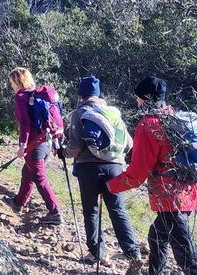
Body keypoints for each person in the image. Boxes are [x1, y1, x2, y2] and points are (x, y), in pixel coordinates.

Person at [107, 76, 197, 275]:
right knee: (156, 236)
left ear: (145, 99)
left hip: (171, 198)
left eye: (138, 98)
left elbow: (138, 173)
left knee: (187, 257)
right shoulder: (174, 115)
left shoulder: (148, 125)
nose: (136, 102)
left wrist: (111, 186)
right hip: (189, 190)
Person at [66, 76, 142, 268]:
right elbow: (129, 144)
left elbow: (74, 147)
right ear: (98, 93)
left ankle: (97, 254)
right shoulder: (113, 113)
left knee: (91, 211)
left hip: (88, 168)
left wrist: (63, 152)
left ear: (81, 94)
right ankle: (133, 253)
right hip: (114, 167)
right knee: (118, 210)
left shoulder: (79, 112)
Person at [6, 67, 63, 225]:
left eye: (12, 82)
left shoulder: (21, 96)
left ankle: (55, 211)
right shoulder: (38, 95)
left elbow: (25, 123)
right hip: (46, 142)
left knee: (39, 177)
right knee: (28, 172)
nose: (11, 85)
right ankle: (18, 203)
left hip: (34, 145)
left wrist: (22, 145)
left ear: (17, 81)